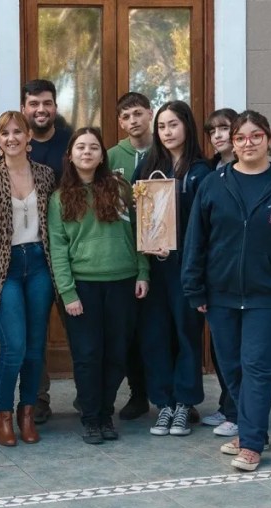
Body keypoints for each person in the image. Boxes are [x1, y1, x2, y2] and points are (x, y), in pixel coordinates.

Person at [183, 110, 271, 472]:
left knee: (257, 368)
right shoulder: (214, 184)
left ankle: (252, 443)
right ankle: (250, 430)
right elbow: (196, 240)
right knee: (232, 368)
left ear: (269, 140)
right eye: (241, 138)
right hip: (221, 296)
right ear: (233, 143)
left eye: (256, 136)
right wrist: (194, 288)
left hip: (270, 297)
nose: (248, 143)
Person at [49, 127, 149, 444]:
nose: (87, 152)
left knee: (116, 354)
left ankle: (106, 414)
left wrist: (143, 272)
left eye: (94, 147)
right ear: (70, 155)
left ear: (102, 155)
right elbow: (57, 248)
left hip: (122, 282)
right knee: (88, 355)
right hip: (83, 287)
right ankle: (91, 418)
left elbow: (139, 233)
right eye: (81, 147)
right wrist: (67, 293)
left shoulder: (120, 189)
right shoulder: (59, 198)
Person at [0, 79, 72, 424]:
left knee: (45, 343)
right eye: (34, 103)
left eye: (47, 103)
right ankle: (17, 408)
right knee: (17, 345)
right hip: (8, 264)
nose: (41, 109)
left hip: (48, 260)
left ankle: (50, 407)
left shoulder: (60, 156)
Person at [0, 111, 56, 446]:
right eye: (4, 133)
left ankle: (27, 413)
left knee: (35, 349)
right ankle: (3, 414)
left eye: (18, 132)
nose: (12, 138)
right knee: (14, 347)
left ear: (28, 137)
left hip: (38, 265)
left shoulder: (45, 175)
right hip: (3, 267)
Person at [130, 100, 210, 437]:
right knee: (155, 336)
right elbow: (135, 216)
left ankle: (184, 403)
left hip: (187, 267)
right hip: (154, 266)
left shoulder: (202, 171)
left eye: (173, 124)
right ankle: (163, 403)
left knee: (187, 334)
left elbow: (207, 223)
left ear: (187, 126)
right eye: (161, 126)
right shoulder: (148, 167)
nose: (167, 132)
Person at [106, 92, 153, 421]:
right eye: (126, 116)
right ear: (120, 123)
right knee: (131, 331)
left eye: (138, 113)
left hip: (163, 253)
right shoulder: (111, 156)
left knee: (164, 329)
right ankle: (138, 394)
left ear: (150, 113)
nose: (133, 121)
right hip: (126, 255)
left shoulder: (164, 150)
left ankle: (177, 397)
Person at [199, 107, 239, 436]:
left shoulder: (251, 169)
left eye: (223, 128)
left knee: (240, 349)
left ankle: (239, 412)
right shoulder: (209, 172)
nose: (218, 136)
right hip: (216, 273)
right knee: (220, 346)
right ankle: (228, 405)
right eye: (212, 131)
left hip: (245, 273)